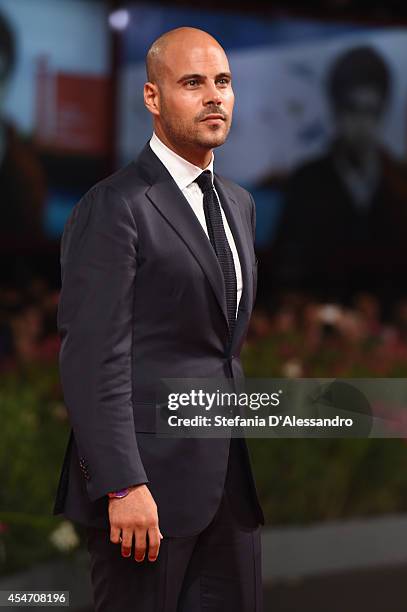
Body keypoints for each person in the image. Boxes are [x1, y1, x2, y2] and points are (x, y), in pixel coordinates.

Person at [53, 27, 264, 611]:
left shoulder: (240, 204)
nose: (214, 96)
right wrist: (123, 482)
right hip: (144, 497)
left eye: (222, 82)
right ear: (152, 97)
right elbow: (93, 357)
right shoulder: (115, 205)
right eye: (193, 83)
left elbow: (219, 351)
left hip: (228, 488)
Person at [270, 45, 407, 316]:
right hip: (321, 331)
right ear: (335, 109)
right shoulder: (306, 182)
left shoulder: (399, 181)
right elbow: (285, 269)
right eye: (353, 110)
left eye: (372, 111)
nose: (362, 124)